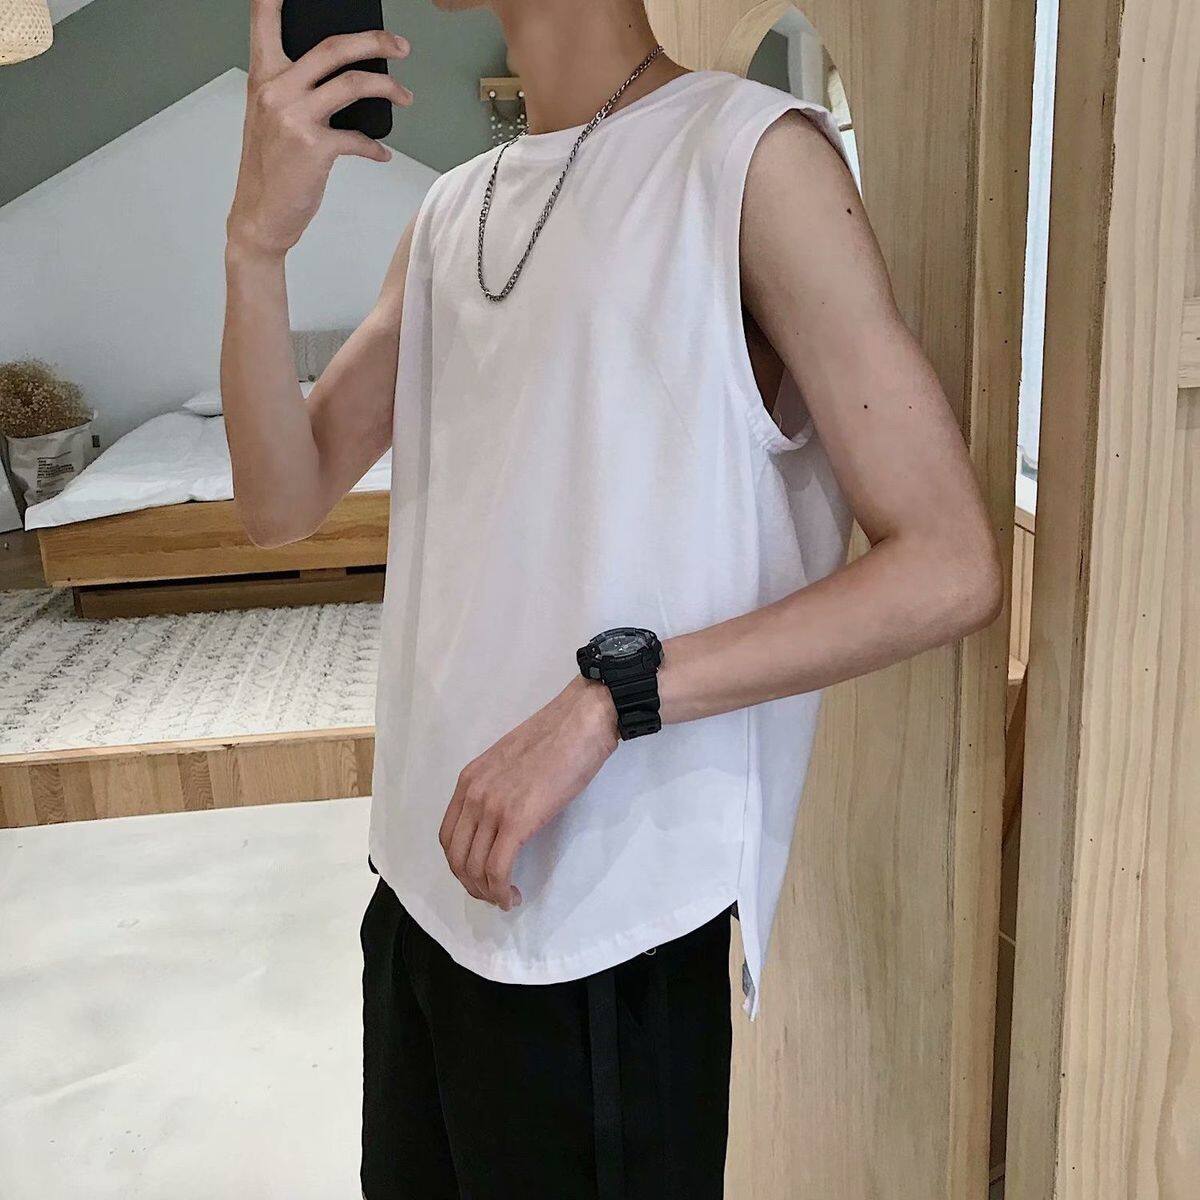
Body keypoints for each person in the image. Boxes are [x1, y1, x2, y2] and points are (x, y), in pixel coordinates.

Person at [221, 1, 1003, 1196]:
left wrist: (608, 699)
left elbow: (948, 565)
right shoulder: (452, 211)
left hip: (604, 930)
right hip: (421, 891)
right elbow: (281, 502)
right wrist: (253, 248)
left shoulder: (749, 158)